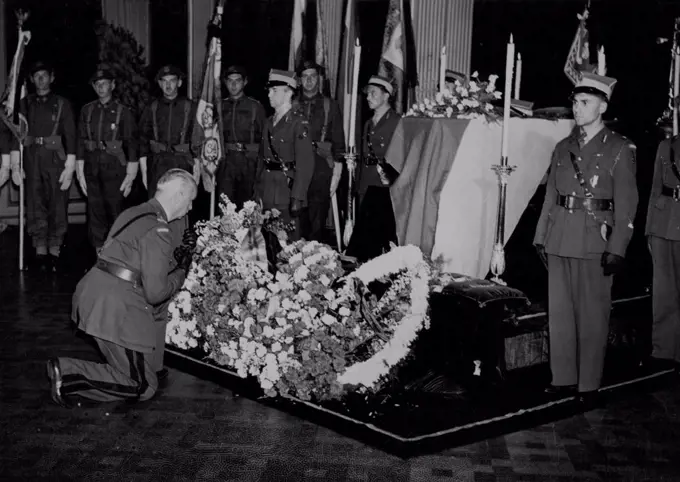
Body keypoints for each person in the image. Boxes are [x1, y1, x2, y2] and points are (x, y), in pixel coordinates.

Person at [46, 169, 197, 407]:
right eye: (189, 201)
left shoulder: (133, 213)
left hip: (94, 297)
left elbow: (133, 262)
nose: (189, 209)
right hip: (114, 310)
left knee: (141, 372)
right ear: (179, 195)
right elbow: (156, 293)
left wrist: (174, 261)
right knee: (144, 386)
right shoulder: (159, 230)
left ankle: (70, 374)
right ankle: (67, 373)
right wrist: (182, 270)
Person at [533, 72, 638, 404]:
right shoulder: (563, 147)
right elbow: (551, 194)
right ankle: (563, 377)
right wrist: (541, 237)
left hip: (595, 239)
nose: (577, 109)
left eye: (585, 102)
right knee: (560, 313)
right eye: (575, 102)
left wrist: (618, 247)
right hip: (561, 236)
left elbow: (628, 202)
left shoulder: (620, 148)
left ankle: (589, 384)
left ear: (603, 106)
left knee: (592, 315)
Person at [8, 61, 77, 272]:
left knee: (57, 202)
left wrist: (71, 163)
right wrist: (15, 164)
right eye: (36, 76)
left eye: (44, 75)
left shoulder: (62, 104)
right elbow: (16, 132)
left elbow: (71, 135)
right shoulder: (24, 104)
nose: (40, 80)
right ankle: (40, 250)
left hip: (55, 158)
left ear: (52, 77)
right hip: (32, 158)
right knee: (35, 202)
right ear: (31, 80)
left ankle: (55, 249)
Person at [75, 67, 138, 254]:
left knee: (115, 210)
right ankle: (99, 254)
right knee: (95, 211)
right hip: (92, 166)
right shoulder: (87, 111)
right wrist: (79, 168)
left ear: (113, 85)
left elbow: (132, 143)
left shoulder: (123, 112)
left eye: (105, 84)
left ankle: (118, 253)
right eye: (97, 84)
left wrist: (131, 173)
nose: (101, 88)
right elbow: (80, 140)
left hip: (115, 167)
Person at [345, 75, 401, 262]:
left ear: (386, 96)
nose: (368, 97)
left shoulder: (398, 122)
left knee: (383, 237)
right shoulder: (368, 124)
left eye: (373, 93)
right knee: (365, 238)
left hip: (384, 187)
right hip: (366, 184)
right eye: (368, 93)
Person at [255, 69, 315, 241]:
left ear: (288, 92)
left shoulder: (298, 123)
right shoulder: (268, 122)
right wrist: (257, 191)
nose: (269, 94)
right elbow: (262, 159)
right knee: (268, 241)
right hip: (267, 190)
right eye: (269, 90)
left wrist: (298, 196)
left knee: (288, 242)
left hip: (286, 191)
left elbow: (305, 164)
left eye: (274, 90)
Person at [294, 61, 344, 242]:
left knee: (317, 221)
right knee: (296, 219)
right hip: (296, 167)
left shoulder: (330, 106)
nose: (309, 80)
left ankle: (314, 262)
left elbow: (338, 141)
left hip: (320, 168)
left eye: (313, 76)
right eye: (305, 76)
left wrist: (337, 173)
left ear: (319, 79)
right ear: (299, 80)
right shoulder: (291, 104)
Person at [644, 124, 680, 372]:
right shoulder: (666, 146)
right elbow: (656, 186)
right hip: (663, 222)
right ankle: (664, 349)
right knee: (664, 291)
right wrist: (649, 228)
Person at [139, 65, 198, 197]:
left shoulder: (191, 107)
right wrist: (144, 171)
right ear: (159, 84)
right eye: (164, 81)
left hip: (182, 163)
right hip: (158, 164)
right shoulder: (151, 108)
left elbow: (197, 139)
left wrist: (197, 167)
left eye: (172, 80)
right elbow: (142, 141)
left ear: (179, 82)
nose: (168, 85)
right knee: (158, 205)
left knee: (181, 203)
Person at [216, 65, 267, 208]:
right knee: (225, 206)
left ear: (245, 82)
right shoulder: (219, 107)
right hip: (226, 162)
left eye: (237, 80)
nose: (233, 84)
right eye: (230, 81)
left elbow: (264, 138)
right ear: (225, 82)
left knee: (248, 207)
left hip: (249, 162)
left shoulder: (255, 107)